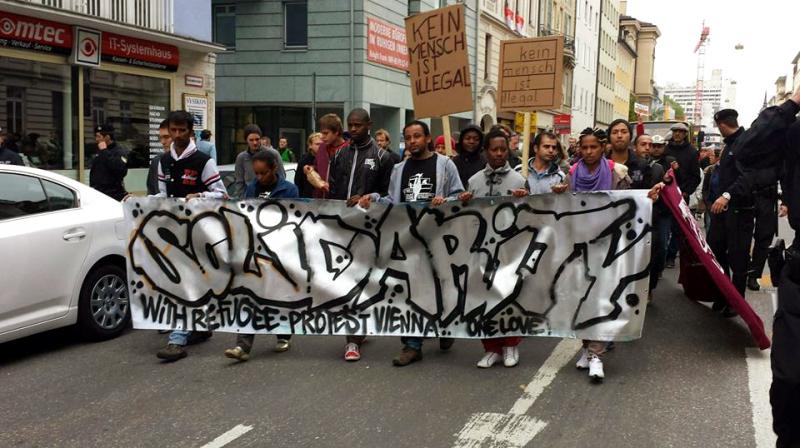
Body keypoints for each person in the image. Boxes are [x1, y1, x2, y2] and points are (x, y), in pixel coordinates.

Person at [358, 120, 463, 367]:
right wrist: (372, 198)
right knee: (409, 291)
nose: (413, 141)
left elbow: (460, 195)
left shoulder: (445, 165)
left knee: (441, 287)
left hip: (437, 236)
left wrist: (445, 200)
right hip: (409, 238)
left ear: (428, 138)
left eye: (418, 136)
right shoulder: (399, 169)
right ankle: (412, 345)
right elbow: (393, 200)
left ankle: (443, 329)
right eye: (409, 137)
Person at [153, 110, 228, 362]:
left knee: (185, 282)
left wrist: (201, 196)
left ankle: (177, 339)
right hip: (173, 232)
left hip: (199, 232)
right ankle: (198, 327)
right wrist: (139, 201)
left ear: (190, 131)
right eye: (172, 131)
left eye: (181, 130)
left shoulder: (203, 160)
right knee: (183, 282)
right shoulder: (163, 161)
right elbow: (163, 195)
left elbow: (221, 194)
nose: (176, 135)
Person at [326, 108, 396, 361]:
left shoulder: (383, 157)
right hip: (344, 230)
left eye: (358, 125)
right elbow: (332, 194)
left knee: (367, 283)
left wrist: (370, 200)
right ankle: (352, 338)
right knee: (348, 282)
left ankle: (359, 329)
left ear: (369, 125)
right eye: (350, 125)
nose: (353, 129)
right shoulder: (339, 155)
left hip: (372, 230)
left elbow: (391, 196)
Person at [458, 130, 528, 368]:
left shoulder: (519, 181)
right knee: (483, 297)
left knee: (508, 297)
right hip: (480, 250)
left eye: (503, 149)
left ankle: (510, 345)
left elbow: (532, 216)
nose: (499, 154)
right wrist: (463, 202)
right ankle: (490, 347)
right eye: (494, 149)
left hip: (509, 250)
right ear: (486, 151)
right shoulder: (475, 181)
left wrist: (525, 199)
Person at [570, 128, 631, 382]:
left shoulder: (617, 171)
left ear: (602, 147)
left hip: (609, 245)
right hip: (579, 245)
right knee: (582, 298)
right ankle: (586, 347)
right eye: (584, 148)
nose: (588, 152)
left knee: (603, 299)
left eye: (593, 147)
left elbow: (631, 204)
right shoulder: (572, 173)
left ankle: (597, 355)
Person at [224, 150, 298, 361]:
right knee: (250, 296)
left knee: (277, 296)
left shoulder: (289, 190)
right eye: (256, 174)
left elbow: (293, 220)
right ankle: (242, 346)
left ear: (274, 168)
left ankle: (283, 333)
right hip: (255, 252)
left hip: (280, 252)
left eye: (262, 173)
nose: (258, 178)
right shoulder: (251, 189)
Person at [706, 109, 755, 317]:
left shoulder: (746, 143)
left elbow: (749, 176)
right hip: (721, 212)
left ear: (721, 125)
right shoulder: (728, 145)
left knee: (738, 258)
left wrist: (727, 195)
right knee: (715, 250)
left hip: (739, 210)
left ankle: (737, 302)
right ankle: (724, 294)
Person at [664, 122, 701, 268]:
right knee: (663, 225)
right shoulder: (665, 149)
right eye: (675, 131)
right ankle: (661, 253)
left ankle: (671, 256)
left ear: (685, 134)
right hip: (664, 192)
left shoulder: (692, 152)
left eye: (680, 131)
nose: (677, 134)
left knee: (677, 227)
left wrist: (686, 191)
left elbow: (695, 176)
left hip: (681, 194)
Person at [233, 124, 285, 198]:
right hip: (250, 201)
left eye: (257, 139)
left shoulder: (273, 154)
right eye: (251, 140)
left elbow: (281, 177)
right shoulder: (241, 158)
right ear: (246, 140)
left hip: (271, 198)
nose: (255, 143)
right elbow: (239, 183)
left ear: (261, 139)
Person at [312, 114, 350, 198]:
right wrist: (310, 171)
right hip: (320, 201)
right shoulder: (322, 147)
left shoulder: (350, 150)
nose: (322, 137)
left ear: (336, 132)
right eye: (321, 133)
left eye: (326, 133)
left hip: (340, 203)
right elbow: (316, 168)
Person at [89, 124, 129, 201]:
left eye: (99, 136)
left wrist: (104, 151)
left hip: (113, 195)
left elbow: (121, 170)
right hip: (98, 193)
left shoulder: (119, 151)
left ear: (107, 137)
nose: (96, 139)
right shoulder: (99, 151)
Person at [146, 120, 172, 195]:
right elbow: (152, 191)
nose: (162, 142)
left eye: (167, 137)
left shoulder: (199, 161)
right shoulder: (157, 161)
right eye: (160, 138)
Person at [295, 132, 322, 198]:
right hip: (308, 198)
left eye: (322, 144)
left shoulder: (327, 159)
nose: (320, 146)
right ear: (310, 145)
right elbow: (298, 182)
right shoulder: (304, 161)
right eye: (317, 144)